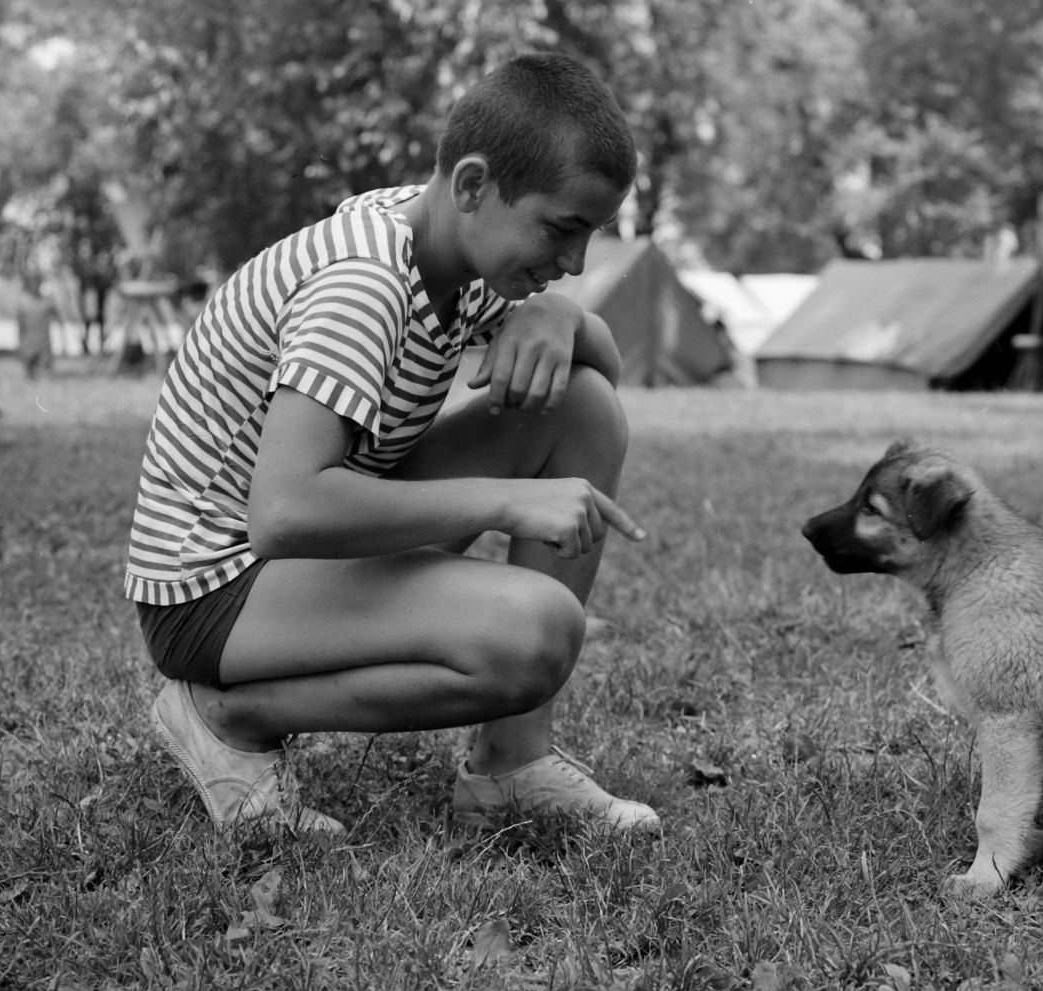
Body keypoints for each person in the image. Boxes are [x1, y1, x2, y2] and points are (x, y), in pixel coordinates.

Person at [129, 53, 657, 838]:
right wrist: (510, 499)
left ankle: (512, 766)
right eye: (561, 229)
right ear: (474, 184)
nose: (574, 262)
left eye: (590, 236)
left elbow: (605, 381)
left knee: (582, 406)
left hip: (286, 568)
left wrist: (566, 318)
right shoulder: (362, 282)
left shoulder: (448, 244)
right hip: (213, 592)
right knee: (535, 631)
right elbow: (284, 509)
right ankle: (225, 714)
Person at [16, 275, 55, 380]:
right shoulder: (23, 303)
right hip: (29, 343)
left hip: (43, 343)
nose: (35, 286)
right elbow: (20, 326)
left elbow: (56, 314)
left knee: (45, 374)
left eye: (37, 283)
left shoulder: (46, 302)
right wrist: (20, 344)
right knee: (30, 375)